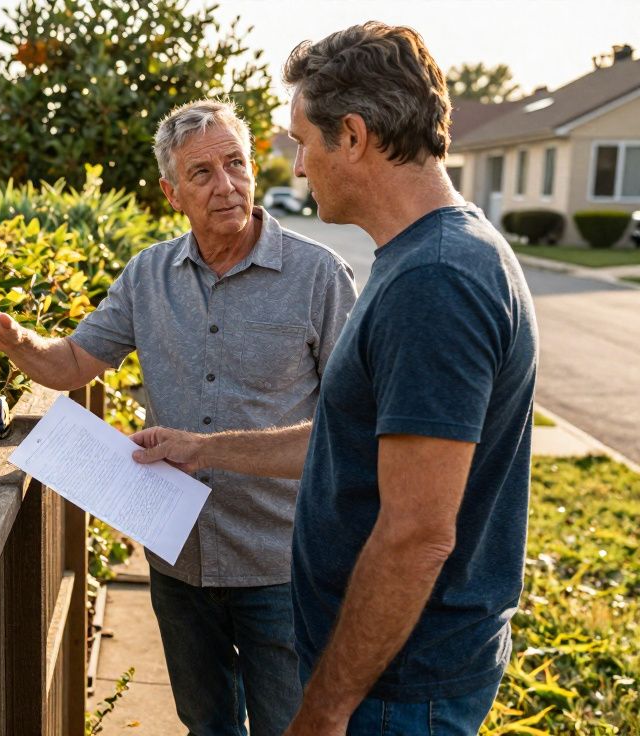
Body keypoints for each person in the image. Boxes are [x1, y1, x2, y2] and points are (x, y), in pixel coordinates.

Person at [131, 23, 538, 736]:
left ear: (351, 136)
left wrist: (323, 708)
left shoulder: (436, 280)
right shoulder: (430, 256)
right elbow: (349, 442)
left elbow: (417, 534)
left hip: (397, 690)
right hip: (393, 678)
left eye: (300, 141)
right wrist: (207, 449)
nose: (294, 168)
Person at [0, 99, 356, 736]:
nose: (226, 185)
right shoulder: (148, 275)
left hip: (283, 568)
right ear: (171, 192)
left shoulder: (319, 276)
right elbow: (73, 362)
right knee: (205, 726)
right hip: (178, 560)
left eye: (235, 164)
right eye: (202, 174)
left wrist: (210, 448)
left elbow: (349, 429)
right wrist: (15, 339)